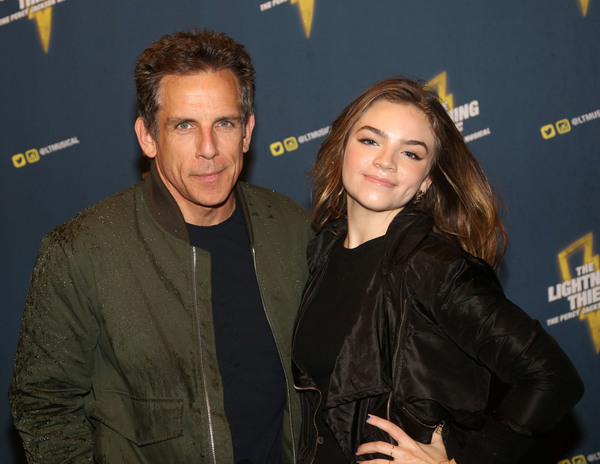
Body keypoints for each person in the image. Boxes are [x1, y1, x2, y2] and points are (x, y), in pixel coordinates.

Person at [9, 29, 312, 464]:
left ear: (247, 132)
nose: (209, 149)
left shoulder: (295, 232)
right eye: (184, 125)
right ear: (148, 137)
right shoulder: (80, 251)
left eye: (224, 123)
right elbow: (43, 404)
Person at [292, 77, 584, 464]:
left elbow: (553, 379)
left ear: (427, 180)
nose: (386, 161)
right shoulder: (320, 252)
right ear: (342, 147)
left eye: (411, 153)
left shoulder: (435, 267)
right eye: (370, 140)